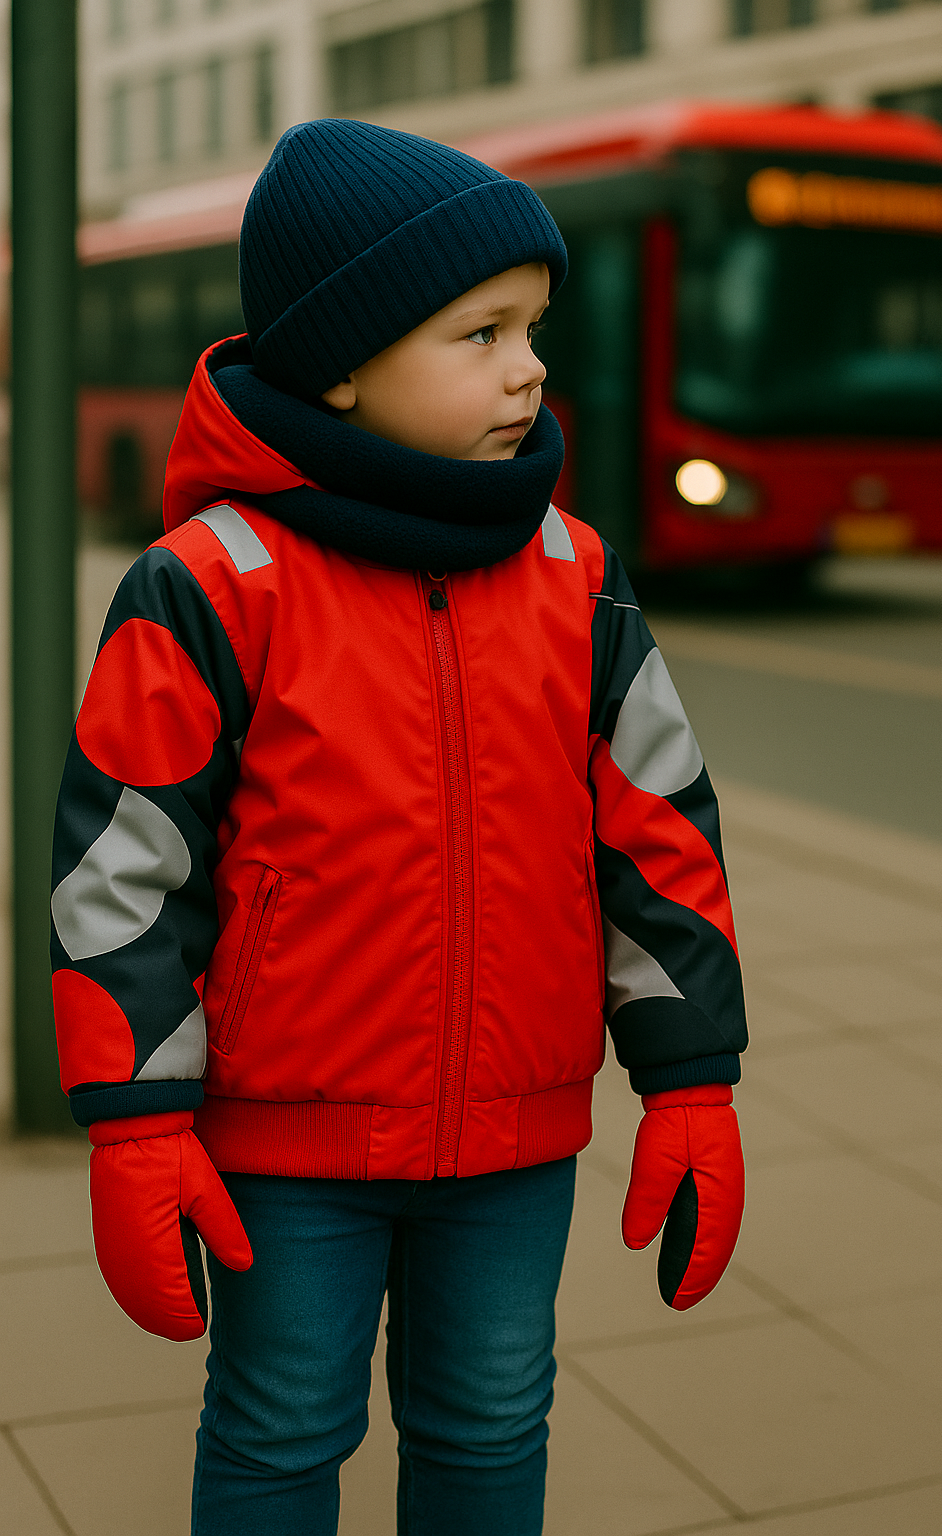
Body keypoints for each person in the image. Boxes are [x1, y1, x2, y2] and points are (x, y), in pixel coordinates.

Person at [50, 119, 747, 1536]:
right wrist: (134, 1119)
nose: (530, 366)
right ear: (344, 364)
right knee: (280, 1428)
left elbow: (661, 835)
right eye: (479, 332)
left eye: (533, 328)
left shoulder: (575, 573)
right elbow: (123, 874)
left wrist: (692, 1076)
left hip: (513, 1139)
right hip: (286, 1142)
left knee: (494, 1421)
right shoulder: (213, 583)